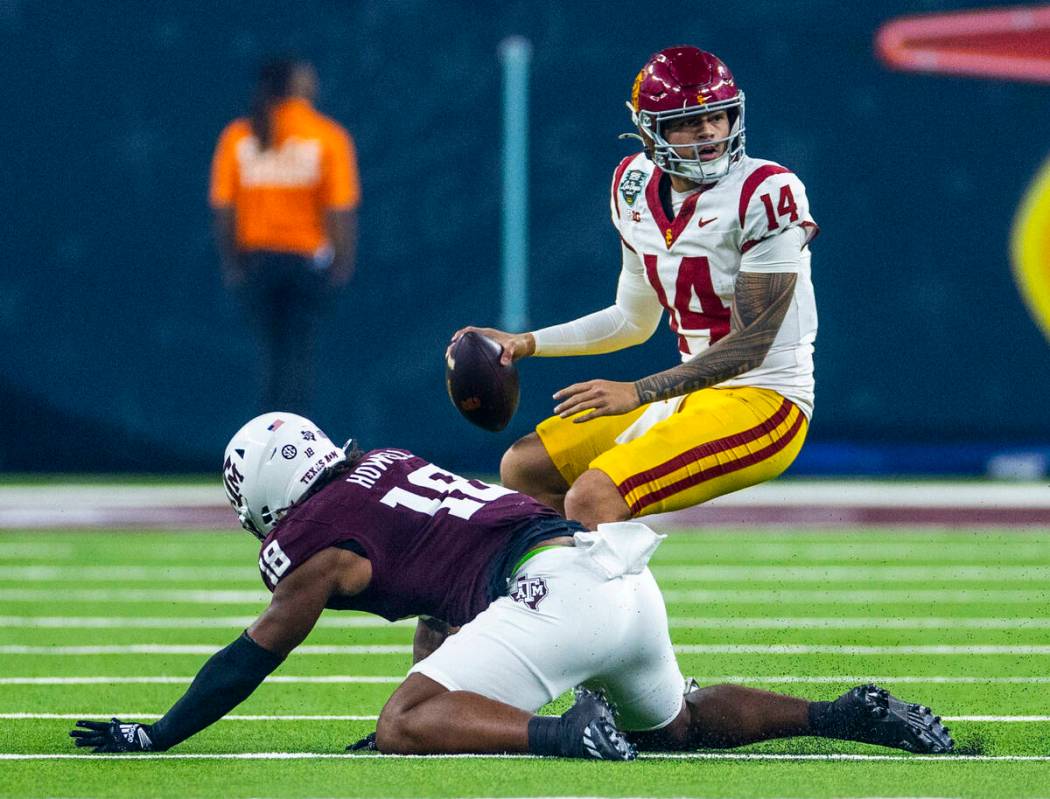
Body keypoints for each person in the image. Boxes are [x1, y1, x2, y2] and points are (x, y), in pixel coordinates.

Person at [69, 413, 952, 758]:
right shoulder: (383, 462)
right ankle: (839, 713)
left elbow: (256, 650)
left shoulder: (316, 541)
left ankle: (567, 732)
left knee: (402, 722)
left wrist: (161, 733)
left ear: (262, 493)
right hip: (614, 576)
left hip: (554, 590)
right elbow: (442, 604)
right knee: (676, 725)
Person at [451, 46, 818, 530]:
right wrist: (526, 343)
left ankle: (605, 606)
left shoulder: (766, 190)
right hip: (693, 393)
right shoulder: (632, 184)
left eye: (718, 115)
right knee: (525, 468)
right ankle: (546, 597)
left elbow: (752, 345)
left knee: (594, 496)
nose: (708, 131)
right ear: (650, 130)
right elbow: (631, 319)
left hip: (765, 399)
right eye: (688, 121)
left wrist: (638, 392)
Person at [210, 57, 361, 414]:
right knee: (298, 355)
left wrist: (232, 263)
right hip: (306, 262)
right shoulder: (325, 136)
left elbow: (224, 209)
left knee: (269, 353)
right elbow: (339, 209)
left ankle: (265, 436)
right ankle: (292, 439)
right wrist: (342, 261)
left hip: (257, 261)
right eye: (307, 77)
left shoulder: (239, 136)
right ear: (294, 84)